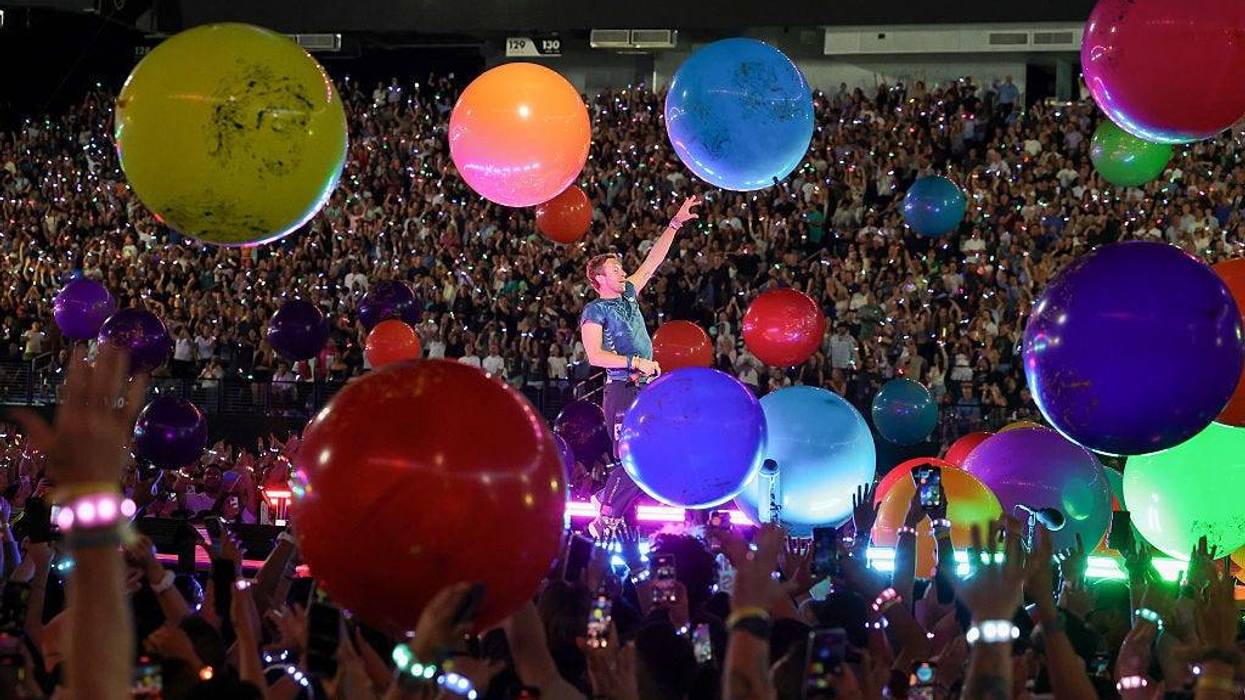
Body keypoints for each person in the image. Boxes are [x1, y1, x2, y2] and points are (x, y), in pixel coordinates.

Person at [580, 195, 700, 537]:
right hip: (621, 389)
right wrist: (636, 361)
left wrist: (674, 224)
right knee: (631, 459)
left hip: (644, 387)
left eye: (621, 268)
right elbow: (595, 356)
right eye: (615, 269)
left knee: (650, 455)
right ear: (599, 279)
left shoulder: (630, 294)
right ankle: (605, 514)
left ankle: (605, 503)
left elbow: (652, 262)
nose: (622, 271)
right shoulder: (595, 311)